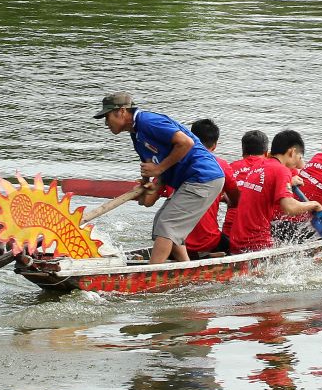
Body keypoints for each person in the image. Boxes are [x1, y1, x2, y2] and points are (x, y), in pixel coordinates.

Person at [95, 92, 227, 264]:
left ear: (121, 111)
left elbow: (186, 143)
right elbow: (149, 167)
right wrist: (145, 185)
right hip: (190, 180)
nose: (106, 123)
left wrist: (158, 169)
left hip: (203, 177)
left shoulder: (148, 122)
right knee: (161, 221)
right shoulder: (136, 134)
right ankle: (185, 266)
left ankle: (151, 272)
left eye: (107, 117)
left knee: (167, 225)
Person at [222, 129, 322, 254]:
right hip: (256, 245)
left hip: (236, 241)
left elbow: (267, 187)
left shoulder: (259, 166)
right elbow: (289, 208)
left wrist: (289, 182)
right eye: (299, 157)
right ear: (292, 151)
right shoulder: (281, 170)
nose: (298, 162)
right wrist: (315, 205)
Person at [181, 118, 239, 258]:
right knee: (234, 248)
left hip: (174, 242)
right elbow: (236, 201)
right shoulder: (221, 165)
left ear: (190, 138)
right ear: (214, 145)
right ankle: (207, 256)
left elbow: (149, 200)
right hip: (207, 242)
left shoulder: (173, 162)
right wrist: (220, 195)